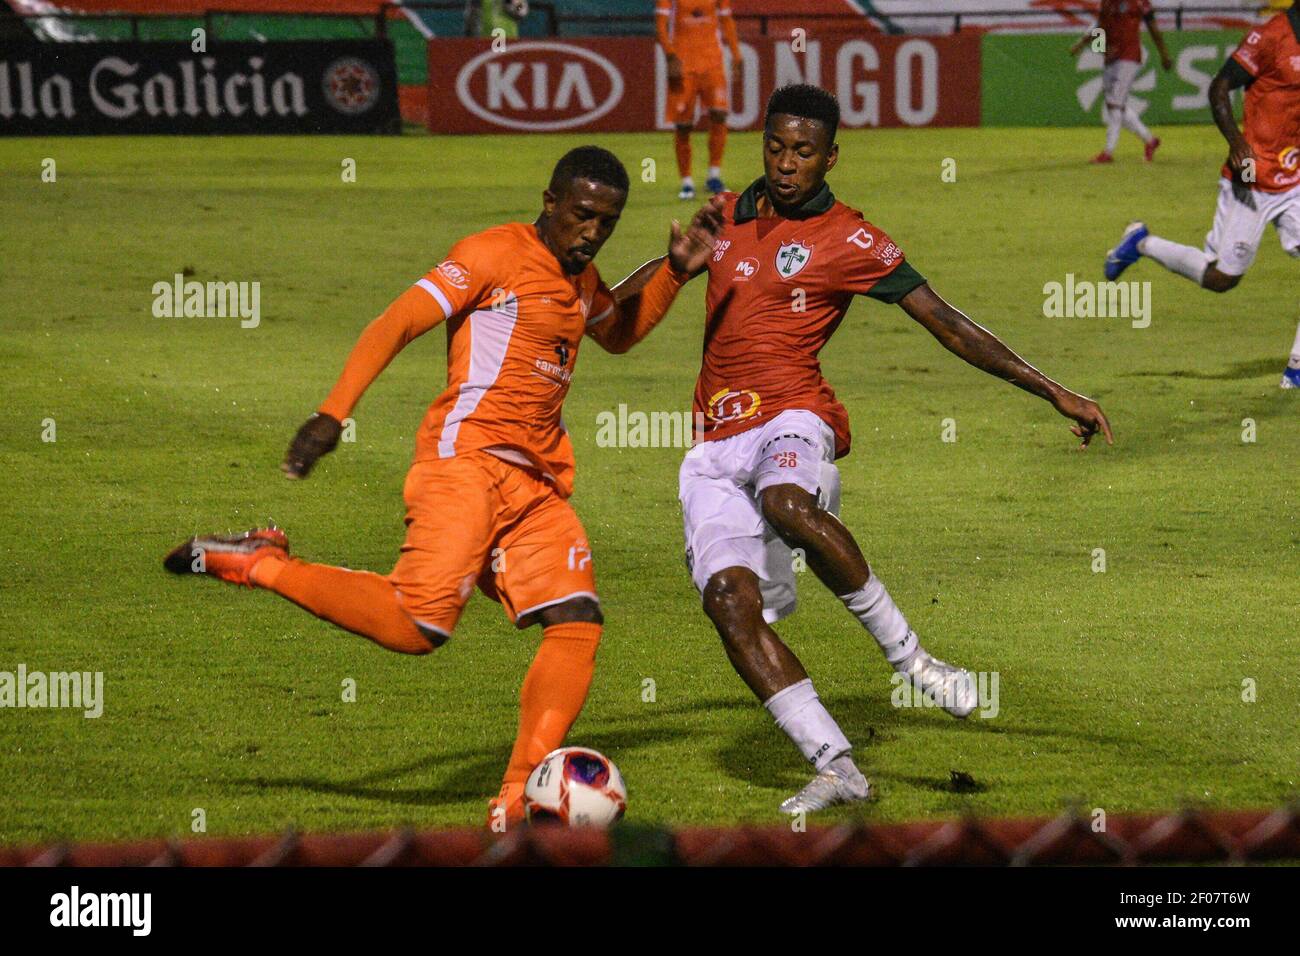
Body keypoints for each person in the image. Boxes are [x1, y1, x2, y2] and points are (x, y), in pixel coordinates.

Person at [163, 147, 722, 828]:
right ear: (549, 202)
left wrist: (675, 272)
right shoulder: (491, 254)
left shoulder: (581, 279)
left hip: (536, 485)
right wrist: (332, 413)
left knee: (575, 621)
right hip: (465, 465)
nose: (592, 233)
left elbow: (617, 332)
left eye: (606, 222)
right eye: (581, 216)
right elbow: (396, 321)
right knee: (417, 627)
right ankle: (263, 564)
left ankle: (515, 798)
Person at [676, 85, 1114, 814]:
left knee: (786, 502)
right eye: (777, 148)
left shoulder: (849, 238)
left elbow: (945, 322)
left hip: (795, 416)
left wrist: (1053, 390)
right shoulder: (724, 216)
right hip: (714, 443)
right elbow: (627, 311)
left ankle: (914, 663)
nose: (787, 165)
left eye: (804, 152)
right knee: (729, 601)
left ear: (831, 157)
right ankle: (835, 764)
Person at [1103, 6, 1300, 389]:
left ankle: (1296, 369)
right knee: (1222, 278)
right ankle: (1142, 242)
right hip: (1252, 179)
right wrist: (1237, 143)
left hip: (1294, 179)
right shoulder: (1271, 36)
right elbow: (1220, 87)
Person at [655, 0, 741, 199]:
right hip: (683, 65)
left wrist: (736, 55)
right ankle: (686, 182)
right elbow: (661, 23)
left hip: (713, 63)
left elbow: (727, 21)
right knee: (683, 125)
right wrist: (670, 55)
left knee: (719, 114)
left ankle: (714, 175)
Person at [1070, 0, 1172, 164]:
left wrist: (1164, 54)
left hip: (1129, 57)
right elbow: (1100, 26)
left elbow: (1153, 28)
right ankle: (1150, 140)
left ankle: (1108, 152)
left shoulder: (1139, 2)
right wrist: (1098, 50)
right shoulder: (1107, 2)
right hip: (1111, 60)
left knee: (1115, 105)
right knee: (1116, 106)